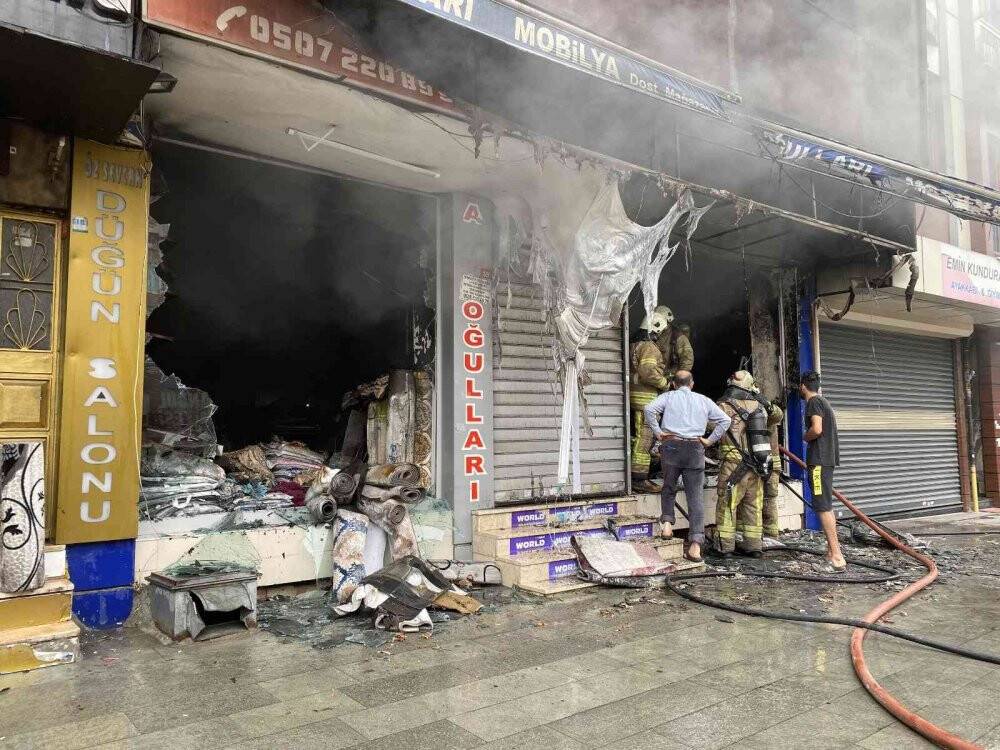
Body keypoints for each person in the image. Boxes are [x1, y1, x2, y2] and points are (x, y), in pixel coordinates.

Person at [644, 370, 731, 563]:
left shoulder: (668, 396)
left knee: (668, 487)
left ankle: (667, 525)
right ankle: (695, 547)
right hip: (694, 447)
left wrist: (658, 433)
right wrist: (709, 440)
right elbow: (726, 420)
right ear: (692, 384)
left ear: (674, 384)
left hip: (672, 445)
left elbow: (649, 409)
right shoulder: (703, 400)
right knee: (695, 497)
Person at [714, 371, 783, 558]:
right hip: (755, 466)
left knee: (728, 505)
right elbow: (778, 416)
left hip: (732, 466)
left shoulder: (723, 406)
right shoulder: (760, 406)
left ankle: (725, 548)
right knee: (753, 506)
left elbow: (710, 428)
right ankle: (754, 547)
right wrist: (761, 398)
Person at [800, 370, 846, 571]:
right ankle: (831, 552)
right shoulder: (824, 402)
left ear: (803, 386)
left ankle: (836, 556)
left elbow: (816, 429)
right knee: (825, 504)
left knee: (823, 506)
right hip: (825, 460)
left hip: (819, 461)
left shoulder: (814, 402)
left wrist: (805, 436)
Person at [629, 310, 671, 493]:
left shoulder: (633, 344)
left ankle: (635, 474)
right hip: (645, 399)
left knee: (637, 438)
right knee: (645, 439)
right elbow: (647, 372)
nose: (660, 335)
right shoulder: (649, 347)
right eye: (660, 331)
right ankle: (639, 479)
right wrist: (664, 383)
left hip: (633, 396)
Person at [762, 395, 785, 540]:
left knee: (767, 499)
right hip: (770, 465)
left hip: (768, 465)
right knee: (766, 499)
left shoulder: (768, 414)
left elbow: (778, 414)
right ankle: (769, 534)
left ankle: (770, 534)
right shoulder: (769, 414)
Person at [652, 305, 694, 379]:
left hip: (671, 379)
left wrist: (680, 379)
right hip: (656, 380)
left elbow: (687, 359)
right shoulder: (651, 335)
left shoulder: (677, 337)